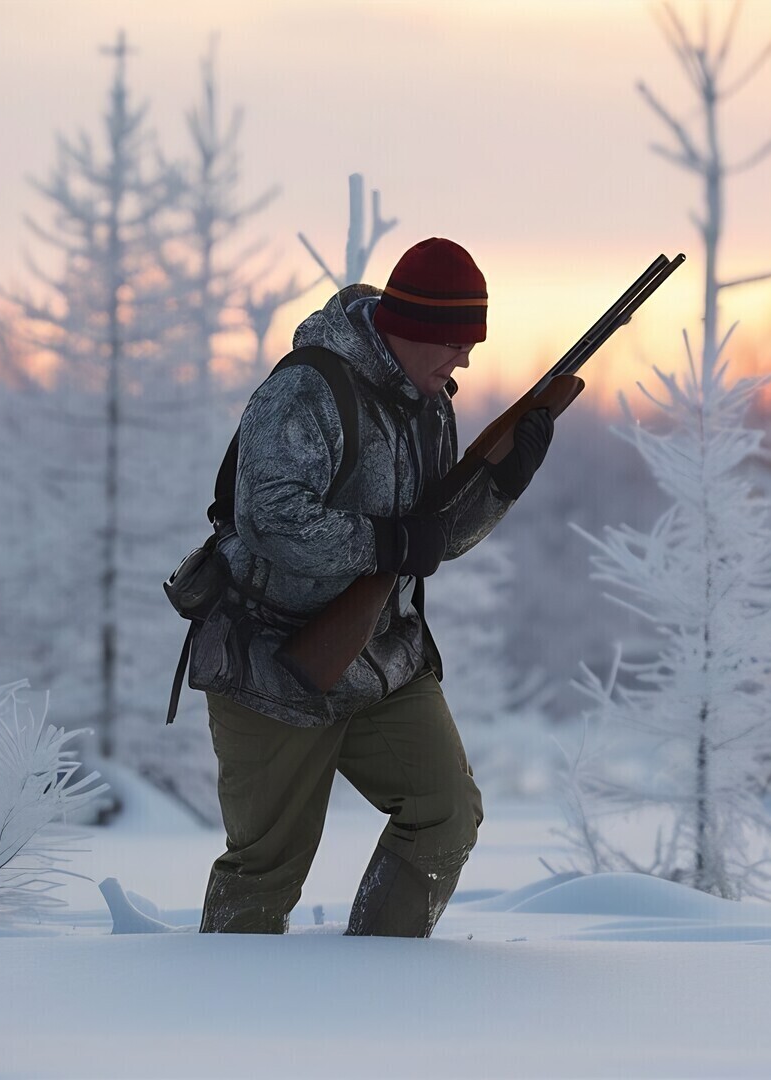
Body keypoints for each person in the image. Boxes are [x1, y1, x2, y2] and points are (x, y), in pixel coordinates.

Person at [188, 237, 554, 936]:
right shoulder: (309, 388)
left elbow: (432, 538)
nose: (465, 361)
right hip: (270, 659)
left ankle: (383, 986)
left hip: (378, 658)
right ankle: (225, 1029)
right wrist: (383, 541)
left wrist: (502, 484)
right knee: (266, 871)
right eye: (454, 343)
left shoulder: (429, 405)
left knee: (446, 813)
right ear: (410, 329)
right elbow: (268, 516)